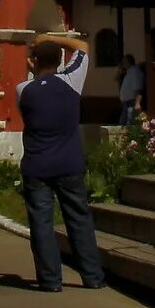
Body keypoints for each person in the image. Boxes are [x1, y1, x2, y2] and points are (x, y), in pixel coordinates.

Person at [18, 39, 106, 293]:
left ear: (32, 62)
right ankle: (92, 276)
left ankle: (50, 280)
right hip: (69, 162)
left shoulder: (23, 89)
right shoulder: (72, 81)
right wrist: (50, 38)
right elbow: (83, 46)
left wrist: (34, 59)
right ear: (59, 61)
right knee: (79, 219)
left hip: (37, 166)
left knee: (42, 224)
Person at [116, 52, 146, 127]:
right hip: (127, 103)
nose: (123, 64)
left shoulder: (135, 72)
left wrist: (137, 103)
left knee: (129, 124)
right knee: (123, 124)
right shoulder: (129, 72)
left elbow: (138, 88)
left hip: (133, 103)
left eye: (124, 62)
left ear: (128, 62)